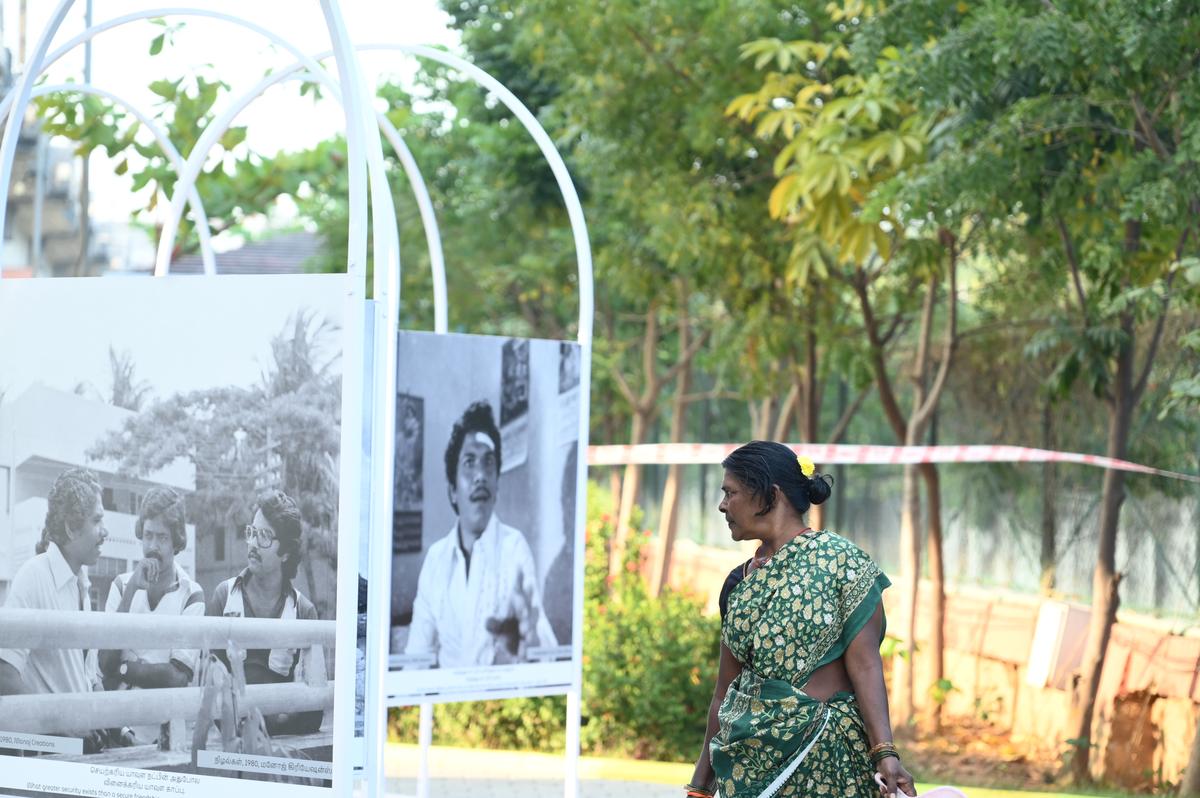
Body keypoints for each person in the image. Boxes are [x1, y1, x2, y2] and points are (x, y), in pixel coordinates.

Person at [688, 441, 917, 798]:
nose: (722, 505)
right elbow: (724, 694)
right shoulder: (739, 583)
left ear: (770, 494)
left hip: (828, 765)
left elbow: (867, 666)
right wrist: (700, 787)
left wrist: (885, 753)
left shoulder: (842, 564)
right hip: (750, 773)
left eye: (730, 493)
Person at [405, 399, 556, 668]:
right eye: (469, 463)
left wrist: (527, 639)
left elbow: (545, 651)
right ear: (453, 489)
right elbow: (414, 658)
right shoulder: (436, 559)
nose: (481, 476)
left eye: (489, 463)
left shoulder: (514, 549)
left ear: (497, 484)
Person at [0, 468, 109, 750]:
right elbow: (4, 673)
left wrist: (111, 720)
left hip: (83, 747)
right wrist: (59, 726)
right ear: (72, 527)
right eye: (97, 520)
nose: (105, 531)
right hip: (50, 753)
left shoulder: (82, 582)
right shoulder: (34, 575)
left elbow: (88, 676)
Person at [207, 489, 322, 735]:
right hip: (231, 742)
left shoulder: (303, 611)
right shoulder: (223, 597)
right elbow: (210, 688)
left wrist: (268, 721)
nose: (253, 545)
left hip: (284, 747)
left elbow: (313, 712)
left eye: (265, 537)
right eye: (252, 533)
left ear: (287, 553)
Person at [100, 486, 203, 743]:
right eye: (147, 536)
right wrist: (133, 588)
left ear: (177, 541)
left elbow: (176, 677)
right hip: (117, 730)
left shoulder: (192, 595)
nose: (152, 546)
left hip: (164, 736)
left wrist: (122, 669)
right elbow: (103, 662)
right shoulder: (122, 585)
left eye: (162, 537)